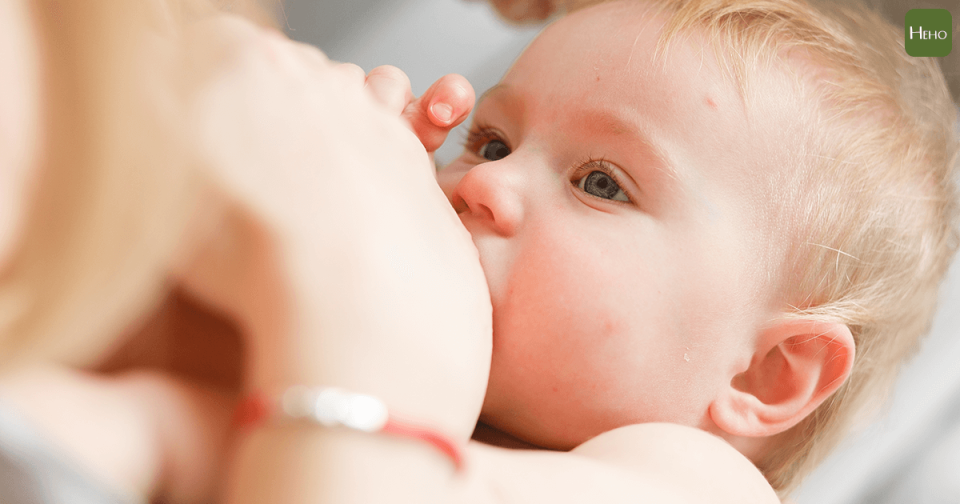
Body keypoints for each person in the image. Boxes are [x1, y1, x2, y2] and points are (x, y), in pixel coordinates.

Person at [0, 1, 956, 504]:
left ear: (770, 369)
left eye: (601, 182)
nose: (483, 185)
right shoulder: (450, 410)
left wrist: (362, 287)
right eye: (493, 142)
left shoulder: (689, 483)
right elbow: (146, 430)